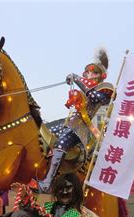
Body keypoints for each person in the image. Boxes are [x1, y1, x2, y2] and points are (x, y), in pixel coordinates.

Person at [37, 49, 114, 193]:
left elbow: (92, 96)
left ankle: (48, 182)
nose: (90, 74)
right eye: (88, 72)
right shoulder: (86, 87)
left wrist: (77, 79)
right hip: (68, 123)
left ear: (102, 76)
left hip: (81, 128)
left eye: (95, 72)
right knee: (43, 134)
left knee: (61, 144)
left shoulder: (104, 90)